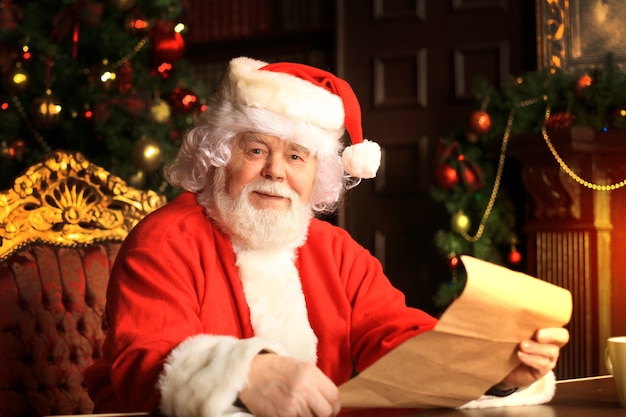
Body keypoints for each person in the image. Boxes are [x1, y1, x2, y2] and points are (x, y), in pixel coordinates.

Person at [85, 56, 569, 417]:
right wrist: (241, 372)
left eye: (297, 156)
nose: (275, 171)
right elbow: (144, 365)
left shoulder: (337, 251)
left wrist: (491, 369)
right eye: (256, 149)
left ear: (319, 174)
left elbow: (396, 338)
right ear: (218, 155)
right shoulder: (164, 239)